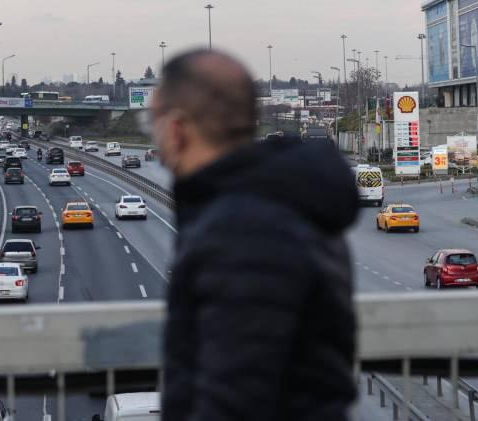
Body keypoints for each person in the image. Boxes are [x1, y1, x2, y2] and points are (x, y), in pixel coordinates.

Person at [153, 50, 359, 421]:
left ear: (176, 128)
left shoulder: (244, 231)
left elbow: (234, 397)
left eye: (151, 121)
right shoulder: (276, 203)